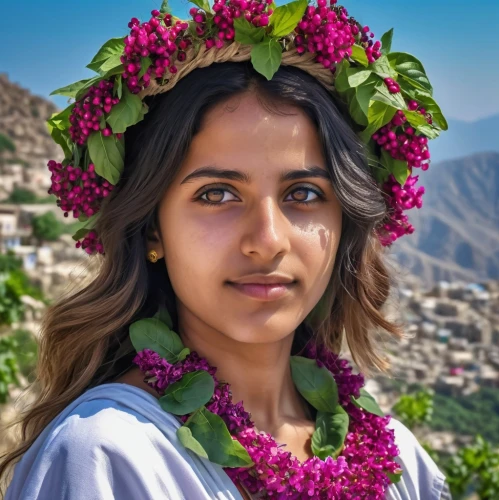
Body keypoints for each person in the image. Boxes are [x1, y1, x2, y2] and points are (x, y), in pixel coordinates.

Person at [1, 1, 452, 498]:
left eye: (303, 195)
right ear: (153, 228)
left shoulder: (400, 464)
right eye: (217, 194)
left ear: (344, 222)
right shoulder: (109, 458)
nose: (268, 240)